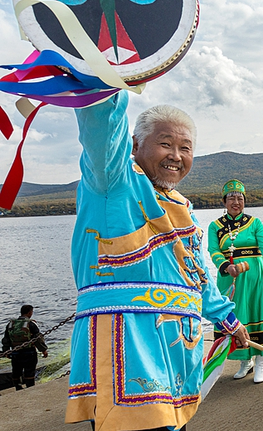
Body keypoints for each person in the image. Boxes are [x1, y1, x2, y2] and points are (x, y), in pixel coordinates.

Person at [65, 92, 249, 431]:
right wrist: (103, 83)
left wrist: (228, 319)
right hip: (127, 345)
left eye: (185, 148)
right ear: (135, 145)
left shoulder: (182, 206)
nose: (176, 156)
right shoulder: (113, 182)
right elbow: (102, 129)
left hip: (178, 351)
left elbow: (196, 274)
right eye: (165, 144)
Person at [208, 180, 263, 384]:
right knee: (237, 317)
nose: (236, 202)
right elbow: (213, 250)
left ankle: (261, 362)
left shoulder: (254, 223)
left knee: (258, 314)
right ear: (224, 202)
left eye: (240, 198)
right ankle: (245, 361)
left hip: (255, 278)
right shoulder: (215, 226)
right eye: (231, 198)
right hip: (230, 279)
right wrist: (226, 266)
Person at [2, 305, 48, 390]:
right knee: (29, 371)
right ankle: (30, 388)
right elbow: (38, 339)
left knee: (16, 371)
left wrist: (6, 351)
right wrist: (43, 350)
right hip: (29, 352)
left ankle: (18, 387)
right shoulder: (31, 324)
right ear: (30, 312)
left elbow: (6, 339)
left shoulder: (11, 324)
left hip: (15, 353)